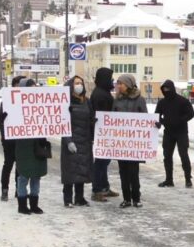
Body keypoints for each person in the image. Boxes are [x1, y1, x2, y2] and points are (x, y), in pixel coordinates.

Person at [112, 74, 148, 208]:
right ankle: (126, 198)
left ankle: (136, 198)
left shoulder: (140, 100)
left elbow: (145, 118)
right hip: (121, 142)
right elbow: (111, 118)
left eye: (121, 83)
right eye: (118, 83)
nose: (118, 86)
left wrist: (153, 125)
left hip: (134, 143)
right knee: (123, 172)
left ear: (128, 85)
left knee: (134, 172)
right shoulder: (116, 100)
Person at [60, 76, 94, 207]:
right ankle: (67, 199)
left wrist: (93, 124)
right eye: (76, 83)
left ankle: (79, 198)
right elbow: (62, 123)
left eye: (81, 83)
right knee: (70, 171)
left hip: (84, 140)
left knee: (81, 169)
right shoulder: (65, 101)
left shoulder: (86, 101)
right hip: (71, 141)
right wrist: (68, 141)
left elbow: (91, 117)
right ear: (71, 86)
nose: (79, 85)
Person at [14, 78, 47, 215]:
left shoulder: (41, 104)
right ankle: (22, 205)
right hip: (23, 145)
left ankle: (34, 204)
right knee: (23, 176)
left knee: (36, 175)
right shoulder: (14, 104)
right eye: (30, 87)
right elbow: (7, 128)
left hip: (37, 144)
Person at [155, 80, 194, 188]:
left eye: (168, 89)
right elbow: (157, 116)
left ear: (172, 88)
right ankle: (169, 180)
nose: (166, 91)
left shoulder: (182, 101)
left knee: (184, 155)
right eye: (164, 89)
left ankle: (188, 179)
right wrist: (161, 122)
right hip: (168, 132)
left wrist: (181, 120)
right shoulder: (162, 102)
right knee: (167, 156)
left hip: (181, 132)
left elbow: (191, 113)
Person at [90, 67, 120, 202]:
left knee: (105, 161)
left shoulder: (103, 92)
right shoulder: (100, 94)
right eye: (110, 78)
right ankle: (97, 190)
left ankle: (104, 187)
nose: (112, 81)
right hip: (102, 133)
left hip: (105, 132)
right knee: (101, 162)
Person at [0, 75, 24, 201]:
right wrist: (4, 136)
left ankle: (19, 190)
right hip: (9, 140)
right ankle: (4, 190)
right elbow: (1, 121)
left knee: (20, 166)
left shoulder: (27, 101)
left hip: (22, 139)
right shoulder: (6, 101)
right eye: (18, 84)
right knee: (8, 164)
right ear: (14, 86)